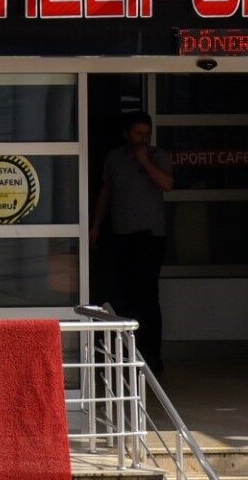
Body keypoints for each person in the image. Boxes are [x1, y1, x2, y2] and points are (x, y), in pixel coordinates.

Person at [93, 112, 174, 368]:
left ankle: (153, 355)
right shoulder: (114, 158)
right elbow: (106, 191)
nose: (143, 138)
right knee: (125, 296)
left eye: (147, 134)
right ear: (127, 134)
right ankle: (127, 353)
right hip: (122, 235)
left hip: (150, 237)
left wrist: (145, 162)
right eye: (138, 133)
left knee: (148, 295)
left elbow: (168, 185)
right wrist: (96, 225)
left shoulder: (157, 156)